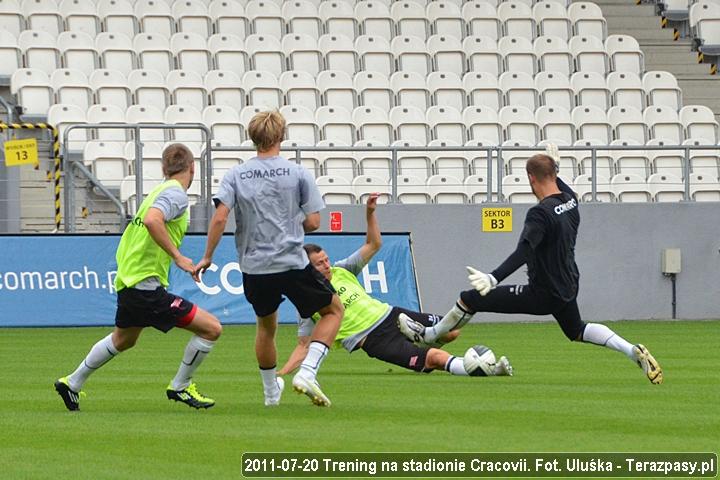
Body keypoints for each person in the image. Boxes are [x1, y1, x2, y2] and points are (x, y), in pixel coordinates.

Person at [398, 145, 663, 385]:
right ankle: (631, 350)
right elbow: (559, 185)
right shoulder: (570, 201)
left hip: (543, 293)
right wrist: (555, 167)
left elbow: (524, 251)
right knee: (576, 330)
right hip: (568, 284)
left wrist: (493, 278)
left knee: (470, 298)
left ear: (531, 178)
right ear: (554, 174)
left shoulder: (539, 213)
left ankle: (430, 335)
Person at [54, 144, 223, 411]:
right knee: (212, 328)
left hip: (130, 281)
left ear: (164, 168)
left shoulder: (157, 192)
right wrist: (178, 257)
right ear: (192, 168)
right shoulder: (176, 194)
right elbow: (153, 221)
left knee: (124, 339)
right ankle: (180, 386)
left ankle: (72, 382)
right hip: (145, 286)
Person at [194, 110, 344, 407]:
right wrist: (289, 226)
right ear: (281, 136)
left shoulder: (236, 175)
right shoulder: (298, 173)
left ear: (252, 138)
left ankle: (270, 393)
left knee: (266, 327)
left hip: (255, 267)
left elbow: (220, 218)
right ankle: (308, 372)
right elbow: (314, 222)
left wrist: (207, 257)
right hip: (292, 262)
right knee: (333, 311)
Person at [277, 193, 513, 378]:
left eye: (326, 260)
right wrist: (282, 372)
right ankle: (487, 370)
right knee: (434, 359)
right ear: (308, 269)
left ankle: (425, 338)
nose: (327, 265)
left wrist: (370, 213)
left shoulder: (342, 270)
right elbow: (304, 345)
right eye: (320, 264)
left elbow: (373, 244)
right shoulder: (309, 301)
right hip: (373, 340)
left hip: (392, 315)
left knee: (452, 331)